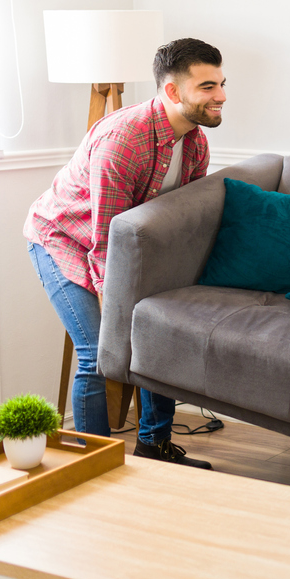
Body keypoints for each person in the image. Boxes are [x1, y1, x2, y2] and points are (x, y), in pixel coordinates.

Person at [23, 38, 228, 469]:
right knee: (98, 351)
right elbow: (103, 241)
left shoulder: (194, 143)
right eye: (208, 87)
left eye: (222, 84)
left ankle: (154, 447)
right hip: (63, 239)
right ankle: (96, 465)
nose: (221, 96)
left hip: (123, 247)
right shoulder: (124, 141)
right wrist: (115, 308)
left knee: (158, 337)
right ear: (173, 92)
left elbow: (179, 223)